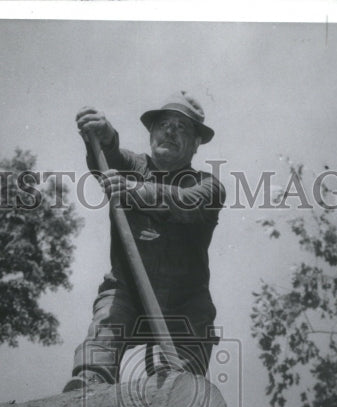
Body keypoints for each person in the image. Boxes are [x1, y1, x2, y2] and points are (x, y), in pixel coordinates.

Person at [64, 91, 225, 391]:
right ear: (151, 132)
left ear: (195, 144)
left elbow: (185, 202)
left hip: (185, 302)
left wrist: (133, 191)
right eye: (164, 124)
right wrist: (104, 134)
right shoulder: (133, 165)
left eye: (182, 128)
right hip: (128, 290)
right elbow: (110, 156)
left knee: (177, 384)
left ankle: (169, 398)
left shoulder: (209, 186)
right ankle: (86, 391)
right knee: (104, 332)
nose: (171, 131)